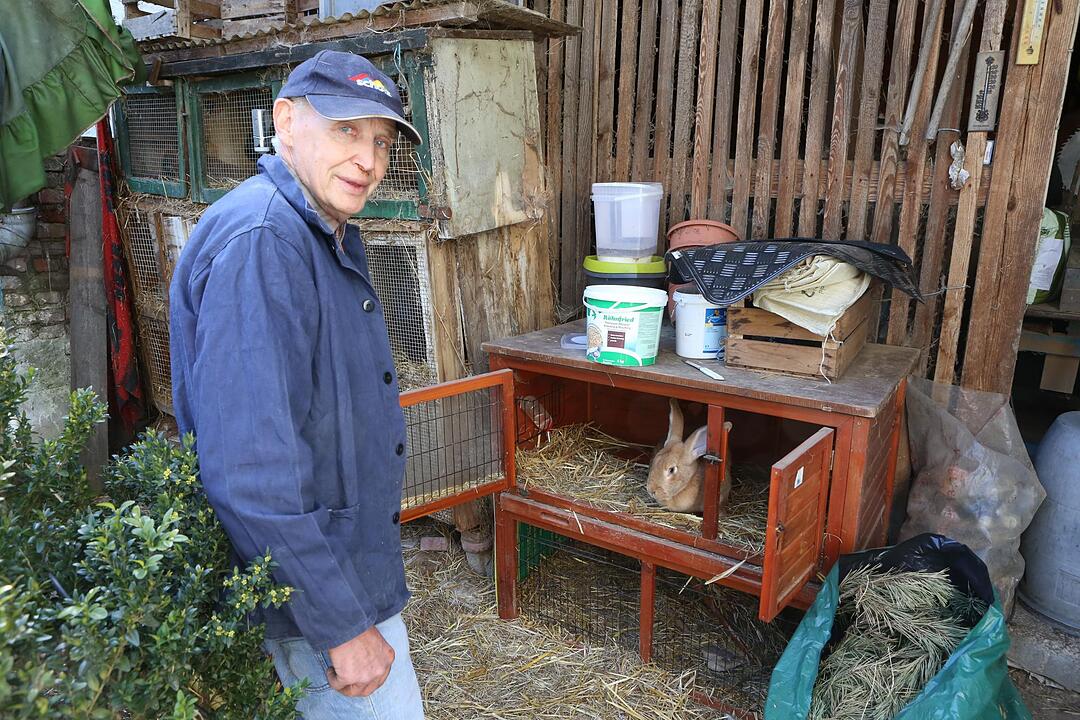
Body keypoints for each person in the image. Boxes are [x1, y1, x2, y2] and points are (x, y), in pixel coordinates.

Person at [169, 50, 426, 719]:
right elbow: (252, 469)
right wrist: (341, 623)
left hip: (333, 573)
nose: (369, 160)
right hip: (316, 594)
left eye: (381, 140)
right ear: (285, 122)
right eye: (348, 130)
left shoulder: (319, 234)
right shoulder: (265, 241)